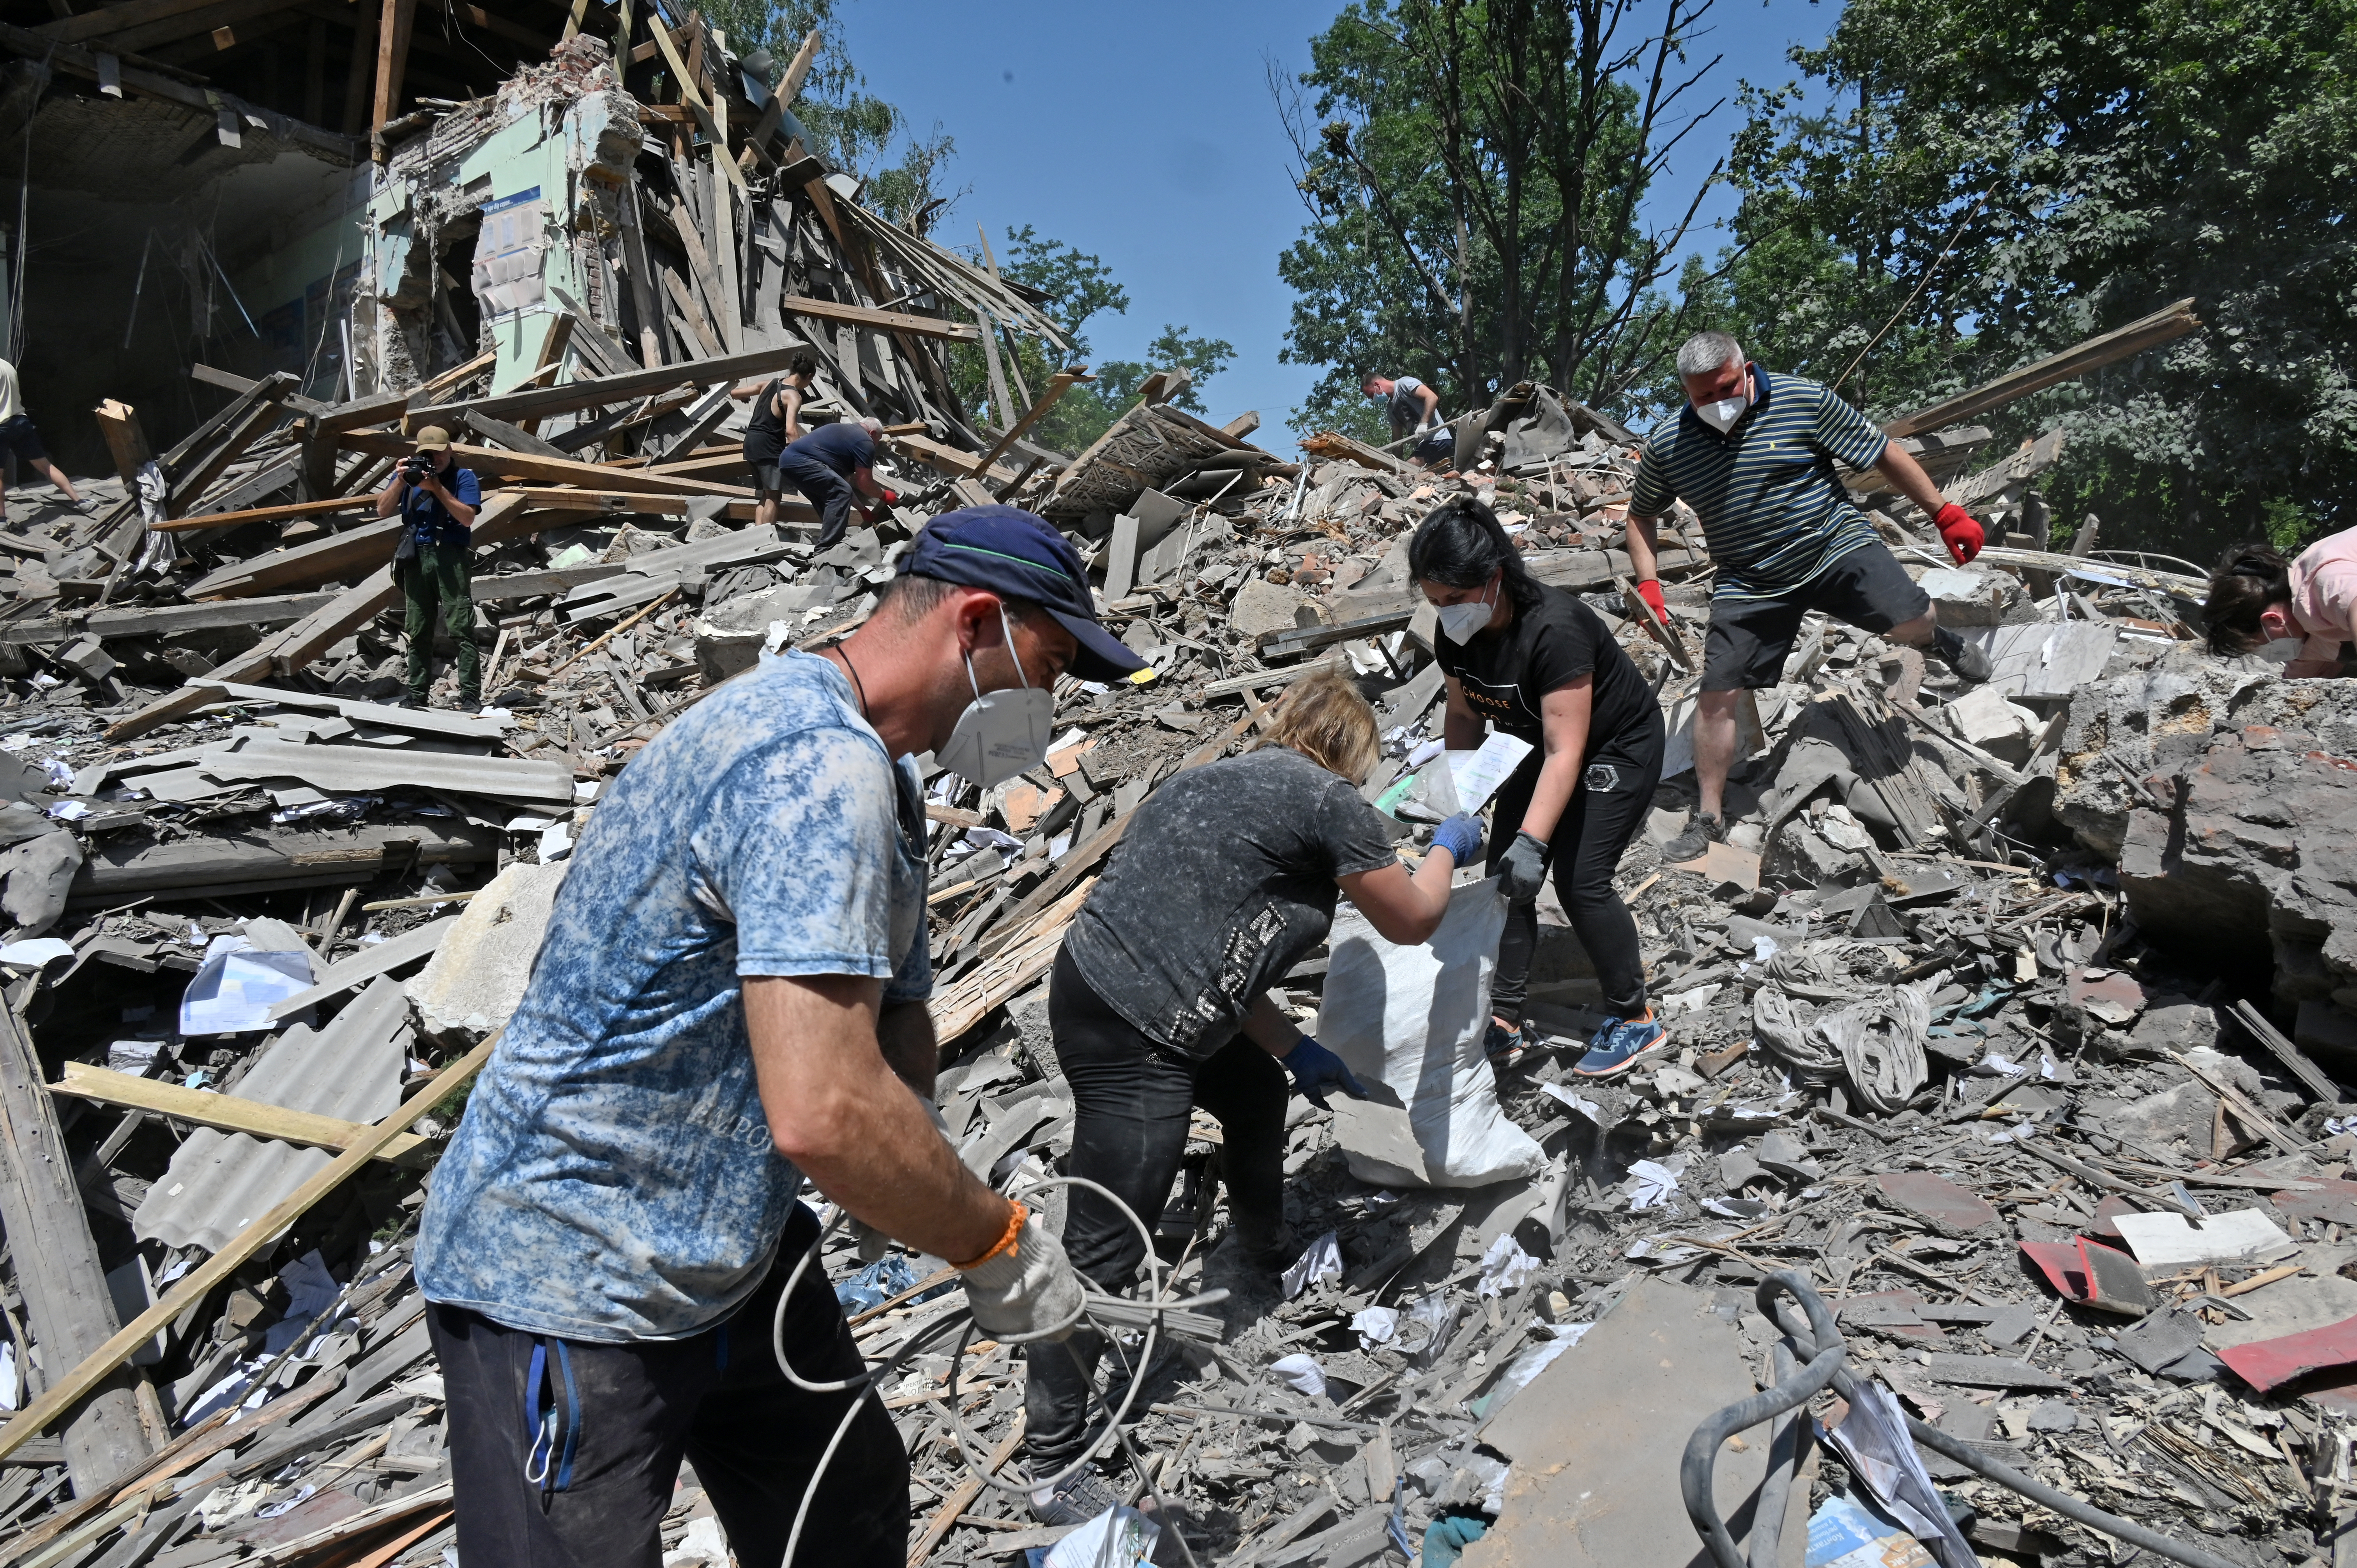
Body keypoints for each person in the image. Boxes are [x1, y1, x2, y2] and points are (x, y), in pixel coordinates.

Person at [414, 505, 1143, 1568]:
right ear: (979, 624)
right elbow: (824, 1111)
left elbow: (894, 1016)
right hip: (572, 1272)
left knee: (843, 1506)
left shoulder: (878, 769)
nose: (1052, 701)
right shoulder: (813, 770)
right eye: (1053, 663)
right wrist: (991, 1239)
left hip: (722, 1246)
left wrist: (913, 1172)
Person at [1026, 669, 1476, 1524]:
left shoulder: (1214, 780)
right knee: (1103, 1245)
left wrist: (1297, 1046)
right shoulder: (1327, 799)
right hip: (1140, 1029)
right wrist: (1450, 844)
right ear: (1354, 750)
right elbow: (1414, 918)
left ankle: (1257, 1257)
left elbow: (1220, 945)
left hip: (1098, 985)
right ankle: (1054, 1466)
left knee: (1257, 1095)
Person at [1629, 331, 1995, 864]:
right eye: (1701, 397)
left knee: (1912, 616)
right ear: (1686, 392)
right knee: (1717, 693)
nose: (1716, 404)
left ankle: (1936, 641)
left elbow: (1883, 451)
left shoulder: (1805, 400)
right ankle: (1708, 817)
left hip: (1834, 546)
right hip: (1750, 578)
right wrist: (1648, 584)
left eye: (1725, 388)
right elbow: (1640, 515)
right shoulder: (1670, 444)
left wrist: (1943, 511)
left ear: (1746, 369)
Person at [1410, 498, 1671, 1078]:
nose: (1445, 613)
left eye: (1453, 599)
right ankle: (1505, 1017)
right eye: (1434, 602)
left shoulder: (1556, 629)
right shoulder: (1457, 635)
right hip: (1534, 740)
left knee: (1581, 882)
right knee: (1505, 879)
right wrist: (1462, 798)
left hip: (1614, 747)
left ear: (1495, 577)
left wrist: (1534, 841)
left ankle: (1635, 1018)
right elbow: (1463, 717)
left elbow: (1568, 752)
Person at [376, 426, 481, 709]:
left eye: (438, 452)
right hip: (416, 556)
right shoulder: (409, 478)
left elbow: (468, 518)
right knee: (418, 627)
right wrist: (399, 481)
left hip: (449, 554)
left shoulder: (464, 478)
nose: (434, 459)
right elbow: (383, 510)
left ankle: (470, 694)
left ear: (450, 450)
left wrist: (437, 488)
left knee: (460, 626)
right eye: (427, 454)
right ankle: (417, 694)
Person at [2203, 533, 2357, 677]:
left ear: (2273, 620)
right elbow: (2302, 688)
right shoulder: (2302, 644)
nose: (2268, 656)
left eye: (2261, 647)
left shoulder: (2323, 583)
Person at [776, 414, 898, 550]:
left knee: (829, 498)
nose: (876, 444)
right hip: (802, 461)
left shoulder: (845, 435)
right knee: (841, 492)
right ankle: (828, 548)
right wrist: (885, 495)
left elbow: (844, 485)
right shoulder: (865, 440)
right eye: (877, 440)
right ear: (873, 433)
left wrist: (863, 510)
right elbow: (865, 484)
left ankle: (830, 543)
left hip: (788, 461)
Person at [0, 357, 87, 524]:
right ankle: (80, 502)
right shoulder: (8, 366)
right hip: (20, 422)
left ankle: (2, 520)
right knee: (46, 466)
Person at [746, 355, 819, 530]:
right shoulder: (794, 396)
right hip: (769, 446)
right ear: (808, 377)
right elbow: (791, 431)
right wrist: (801, 455)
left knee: (765, 494)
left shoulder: (771, 383)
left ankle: (756, 537)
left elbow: (738, 392)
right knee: (774, 496)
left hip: (751, 441)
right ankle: (767, 537)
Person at [1364, 371, 1452, 466]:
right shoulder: (1391, 409)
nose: (1372, 399)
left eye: (1371, 395)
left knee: (1410, 468)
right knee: (1402, 470)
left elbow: (1432, 397)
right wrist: (1394, 464)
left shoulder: (1404, 384)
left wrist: (1423, 424)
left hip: (1438, 439)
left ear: (1377, 385)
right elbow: (1398, 441)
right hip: (1423, 446)